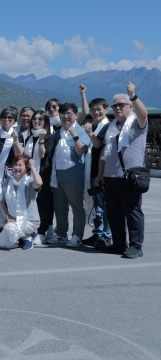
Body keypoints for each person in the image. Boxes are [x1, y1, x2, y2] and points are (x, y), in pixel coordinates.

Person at [95, 82, 148, 259]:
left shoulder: (136, 124)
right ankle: (119, 244)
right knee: (114, 213)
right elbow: (104, 152)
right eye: (114, 105)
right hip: (111, 177)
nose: (117, 108)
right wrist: (100, 174)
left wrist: (133, 95)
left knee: (132, 212)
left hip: (130, 176)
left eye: (121, 105)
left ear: (129, 107)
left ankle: (136, 246)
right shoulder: (112, 127)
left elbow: (144, 114)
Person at [47, 102, 90, 247]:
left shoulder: (80, 130)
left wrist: (75, 136)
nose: (66, 117)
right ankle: (61, 234)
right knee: (60, 207)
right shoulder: (58, 132)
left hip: (75, 177)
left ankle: (77, 235)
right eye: (63, 114)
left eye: (69, 114)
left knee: (77, 208)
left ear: (76, 115)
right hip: (58, 178)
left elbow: (80, 151)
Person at [78, 85, 112, 249]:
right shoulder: (97, 126)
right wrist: (83, 95)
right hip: (92, 171)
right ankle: (98, 233)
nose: (96, 112)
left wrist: (90, 134)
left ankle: (106, 236)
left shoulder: (108, 127)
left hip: (102, 172)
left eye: (99, 109)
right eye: (93, 110)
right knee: (97, 205)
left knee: (104, 205)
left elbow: (99, 145)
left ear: (106, 110)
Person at [0, 155, 43, 250]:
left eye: (20, 165)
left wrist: (33, 167)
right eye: (15, 165)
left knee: (10, 229)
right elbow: (1, 202)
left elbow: (39, 183)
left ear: (26, 168)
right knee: (1, 244)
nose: (17, 168)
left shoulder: (29, 181)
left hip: (29, 220)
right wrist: (7, 217)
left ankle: (27, 237)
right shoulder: (7, 183)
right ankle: (21, 236)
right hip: (13, 220)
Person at [23, 110, 55, 245]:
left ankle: (41, 232)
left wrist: (41, 140)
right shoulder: (29, 137)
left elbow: (43, 155)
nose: (36, 121)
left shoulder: (49, 137)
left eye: (40, 119)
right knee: (31, 202)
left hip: (43, 174)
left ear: (46, 122)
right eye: (35, 119)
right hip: (29, 175)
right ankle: (31, 229)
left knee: (42, 203)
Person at [0, 106, 24, 178]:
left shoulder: (18, 135)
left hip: (11, 172)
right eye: (4, 117)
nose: (6, 120)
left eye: (10, 118)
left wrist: (16, 140)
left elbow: (19, 155)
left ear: (14, 120)